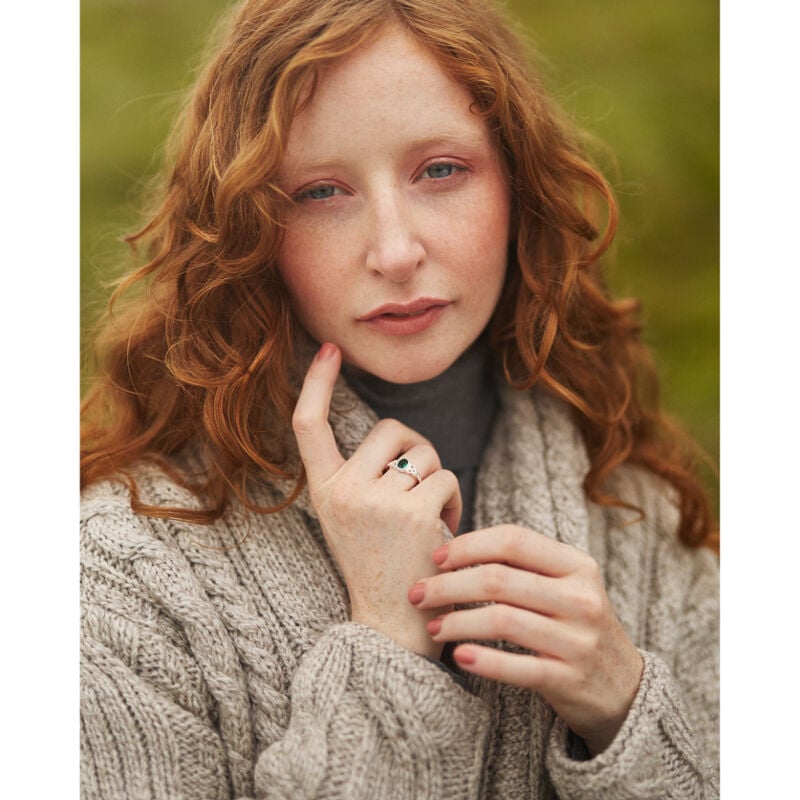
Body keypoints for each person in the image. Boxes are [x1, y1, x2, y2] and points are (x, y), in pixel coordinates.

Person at [80, 0, 719, 797]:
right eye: (320, 192)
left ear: (517, 184)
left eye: (441, 171)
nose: (394, 251)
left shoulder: (640, 514)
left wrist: (625, 709)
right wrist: (385, 638)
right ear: (246, 225)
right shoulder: (117, 580)